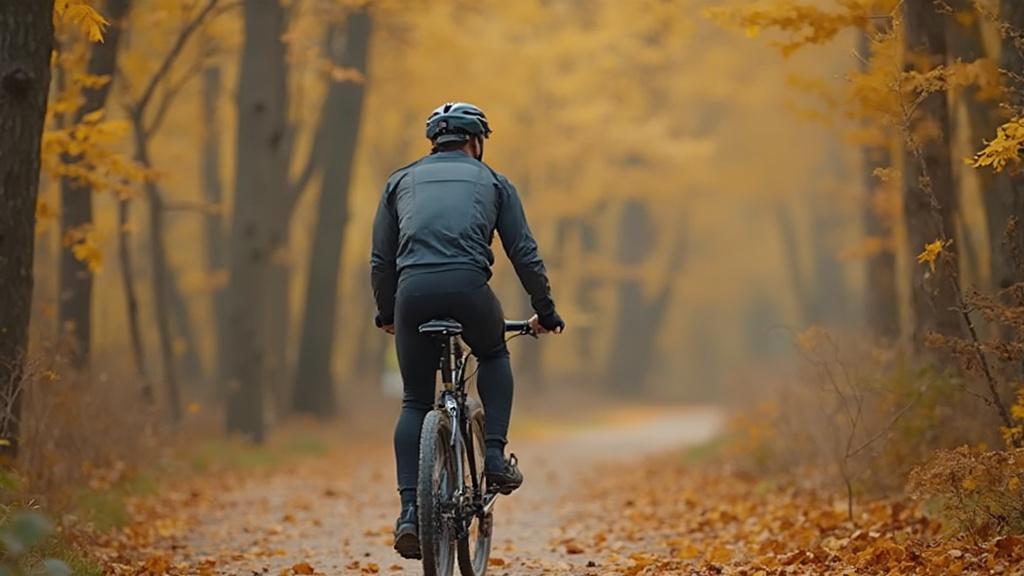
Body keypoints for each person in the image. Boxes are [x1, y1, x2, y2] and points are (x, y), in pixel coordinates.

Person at [370, 102, 565, 559]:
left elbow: (381, 260)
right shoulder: (494, 182)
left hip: (412, 294)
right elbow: (524, 253)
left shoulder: (399, 181)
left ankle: (409, 513)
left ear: (435, 142)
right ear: (475, 142)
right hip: (469, 290)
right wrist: (545, 311)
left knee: (415, 401)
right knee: (493, 353)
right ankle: (494, 458)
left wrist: (388, 314)